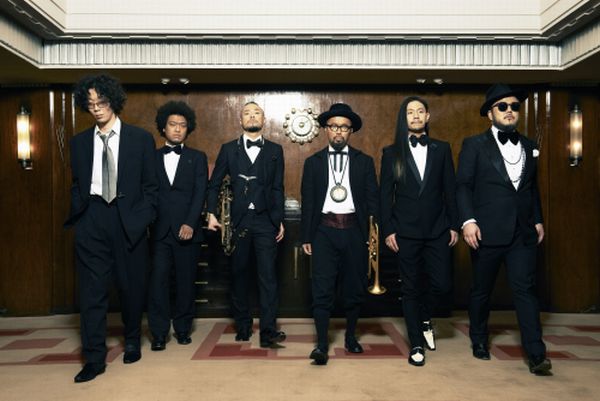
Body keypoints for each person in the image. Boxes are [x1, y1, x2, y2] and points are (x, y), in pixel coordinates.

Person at [64, 74, 158, 382]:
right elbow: (77, 184)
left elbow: (151, 187)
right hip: (92, 218)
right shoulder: (79, 142)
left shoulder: (140, 139)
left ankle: (132, 340)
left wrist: (142, 219)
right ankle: (93, 358)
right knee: (91, 293)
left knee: (131, 287)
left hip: (127, 219)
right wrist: (81, 216)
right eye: (90, 103)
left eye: (101, 101)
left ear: (113, 101)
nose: (96, 108)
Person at [456, 83, 551, 375]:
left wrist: (537, 219)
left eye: (514, 106)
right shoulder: (474, 145)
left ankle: (537, 354)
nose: (510, 111)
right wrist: (468, 221)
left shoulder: (530, 146)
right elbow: (463, 186)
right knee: (481, 291)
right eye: (502, 106)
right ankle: (478, 339)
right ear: (490, 113)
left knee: (526, 291)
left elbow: (531, 188)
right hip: (486, 231)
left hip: (522, 232)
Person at [380, 96, 458, 366]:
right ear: (404, 119)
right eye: (410, 112)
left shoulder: (442, 149)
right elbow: (384, 196)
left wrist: (454, 224)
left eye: (420, 111)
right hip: (405, 231)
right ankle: (415, 344)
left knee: (443, 284)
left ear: (427, 117)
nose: (415, 115)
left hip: (438, 229)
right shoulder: (391, 153)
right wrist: (388, 229)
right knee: (411, 288)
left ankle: (425, 316)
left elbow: (450, 189)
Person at [301, 103, 378, 365]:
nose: (338, 131)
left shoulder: (364, 162)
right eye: (334, 126)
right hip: (323, 231)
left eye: (344, 127)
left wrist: (372, 236)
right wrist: (306, 237)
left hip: (355, 232)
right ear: (326, 129)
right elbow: (308, 202)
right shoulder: (312, 163)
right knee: (322, 289)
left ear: (350, 131)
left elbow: (373, 201)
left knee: (354, 289)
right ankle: (321, 345)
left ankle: (351, 337)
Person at [206, 101, 286, 348]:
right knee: (239, 274)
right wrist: (211, 213)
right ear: (240, 120)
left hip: (265, 221)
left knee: (268, 277)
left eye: (256, 113)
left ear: (264, 119)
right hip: (238, 221)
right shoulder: (228, 149)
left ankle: (268, 331)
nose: (252, 116)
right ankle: (242, 325)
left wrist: (278, 219)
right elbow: (214, 184)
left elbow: (278, 188)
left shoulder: (275, 150)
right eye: (247, 113)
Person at [148, 101, 208, 351]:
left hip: (187, 231)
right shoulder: (151, 157)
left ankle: (183, 329)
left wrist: (190, 223)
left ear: (188, 129)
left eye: (182, 125)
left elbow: (200, 192)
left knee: (186, 282)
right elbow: (147, 193)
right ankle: (159, 333)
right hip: (159, 231)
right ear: (163, 128)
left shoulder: (198, 157)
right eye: (172, 124)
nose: (177, 129)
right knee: (157, 284)